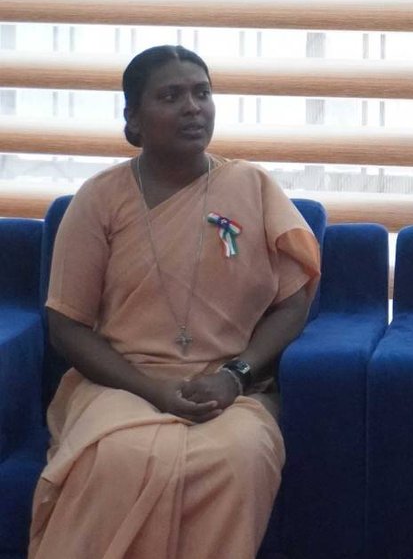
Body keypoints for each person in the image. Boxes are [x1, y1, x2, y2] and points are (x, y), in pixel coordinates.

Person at [31, 45, 321, 557]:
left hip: (229, 388)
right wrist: (153, 389)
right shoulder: (98, 199)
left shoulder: (252, 186)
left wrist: (235, 375)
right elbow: (66, 326)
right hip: (121, 383)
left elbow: (292, 304)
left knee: (240, 455)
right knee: (120, 455)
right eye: (170, 96)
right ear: (133, 119)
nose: (192, 107)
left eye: (202, 93)